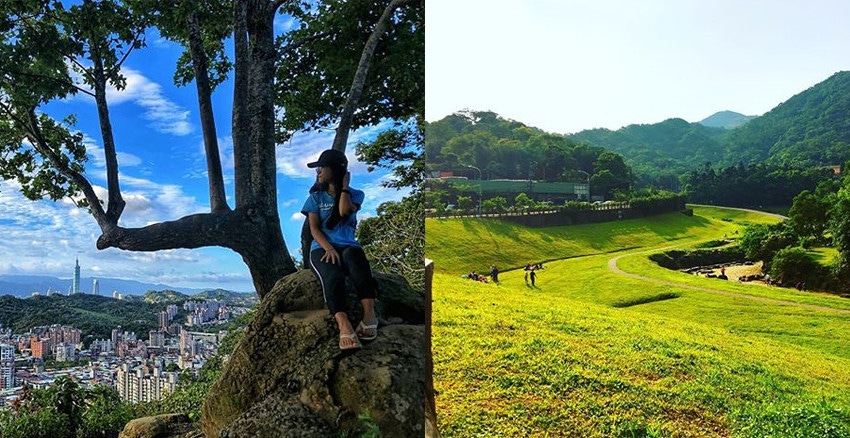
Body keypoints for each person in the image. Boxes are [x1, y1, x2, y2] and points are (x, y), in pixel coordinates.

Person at [302, 149, 378, 351]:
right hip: (321, 247)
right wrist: (328, 248)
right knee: (333, 276)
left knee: (358, 265)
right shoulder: (315, 198)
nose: (318, 172)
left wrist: (344, 187)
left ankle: (369, 315)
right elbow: (314, 229)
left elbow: (344, 211)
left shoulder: (356, 194)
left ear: (335, 169)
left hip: (349, 246)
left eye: (321, 168)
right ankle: (344, 324)